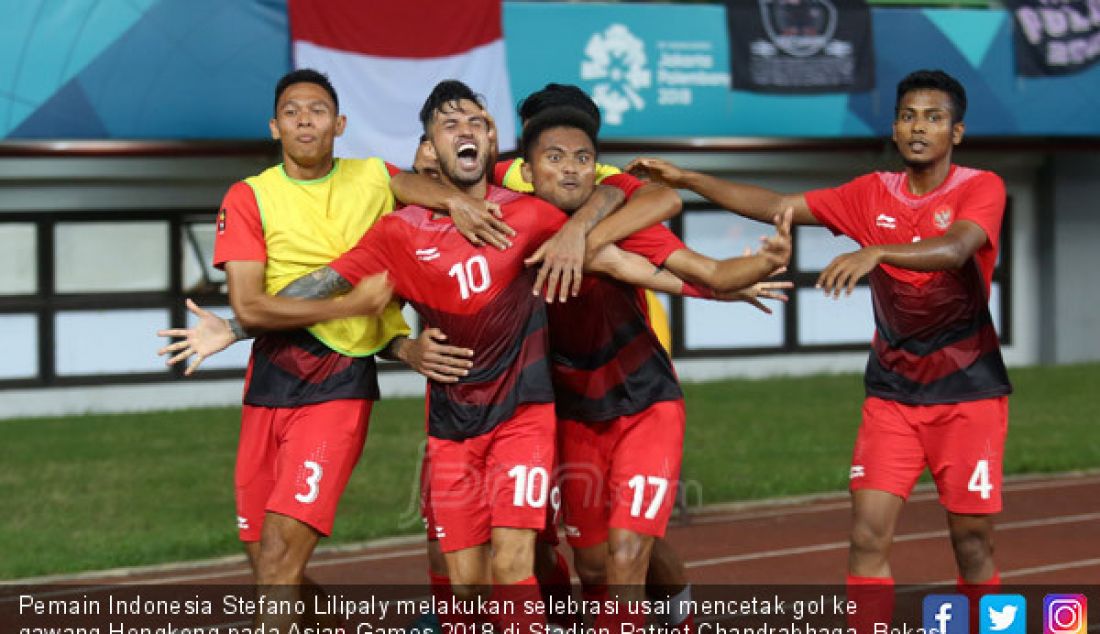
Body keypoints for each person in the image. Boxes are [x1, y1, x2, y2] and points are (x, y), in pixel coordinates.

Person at [627, 69, 1011, 631]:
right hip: (892, 396)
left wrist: (877, 251)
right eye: (907, 116)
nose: (918, 127)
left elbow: (957, 248)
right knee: (865, 535)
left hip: (969, 394)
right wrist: (689, 179)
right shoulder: (869, 194)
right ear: (896, 127)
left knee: (972, 544)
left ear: (957, 131)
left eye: (932, 117)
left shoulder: (981, 187)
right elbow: (775, 204)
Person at [520, 106, 790, 632]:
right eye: (555, 158)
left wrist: (761, 262)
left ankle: (677, 621)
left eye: (583, 158)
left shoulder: (624, 227)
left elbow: (707, 270)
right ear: (527, 171)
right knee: (595, 565)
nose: (570, 168)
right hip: (574, 413)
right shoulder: (512, 224)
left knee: (625, 559)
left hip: (646, 403)